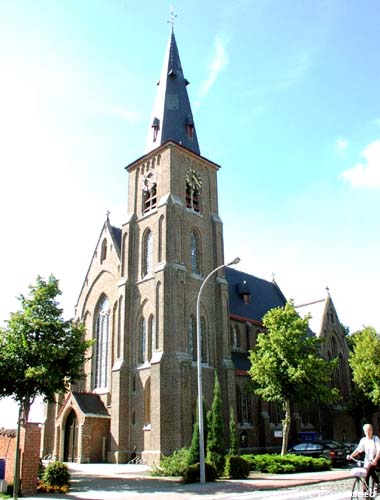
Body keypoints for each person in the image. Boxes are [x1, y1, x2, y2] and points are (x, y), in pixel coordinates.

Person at [347, 423, 380, 494]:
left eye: (369, 431)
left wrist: (375, 459)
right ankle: (367, 494)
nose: (367, 433)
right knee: (366, 474)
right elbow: (358, 450)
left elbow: (379, 450)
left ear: (372, 431)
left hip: (376, 460)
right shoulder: (363, 440)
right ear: (364, 432)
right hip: (367, 461)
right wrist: (351, 456)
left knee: (368, 472)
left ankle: (377, 484)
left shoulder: (375, 438)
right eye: (366, 431)